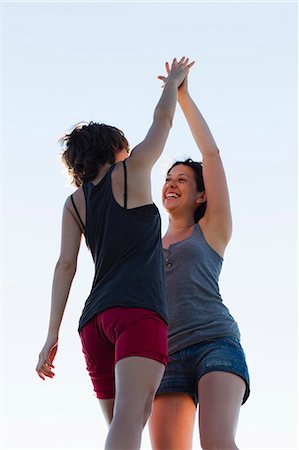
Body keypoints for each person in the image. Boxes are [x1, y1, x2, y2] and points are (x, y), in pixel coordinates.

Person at [36, 57, 194, 450]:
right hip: (137, 312)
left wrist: (51, 334)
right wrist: (172, 83)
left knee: (123, 430)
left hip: (93, 323)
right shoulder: (131, 171)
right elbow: (163, 123)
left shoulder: (74, 203)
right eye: (124, 147)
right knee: (129, 422)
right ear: (117, 149)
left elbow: (65, 266)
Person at [149, 61, 250, 450]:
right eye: (168, 179)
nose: (172, 185)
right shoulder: (147, 246)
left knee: (217, 443)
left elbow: (211, 154)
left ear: (201, 194)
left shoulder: (212, 230)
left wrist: (183, 97)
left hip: (215, 343)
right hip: (166, 356)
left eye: (182, 180)